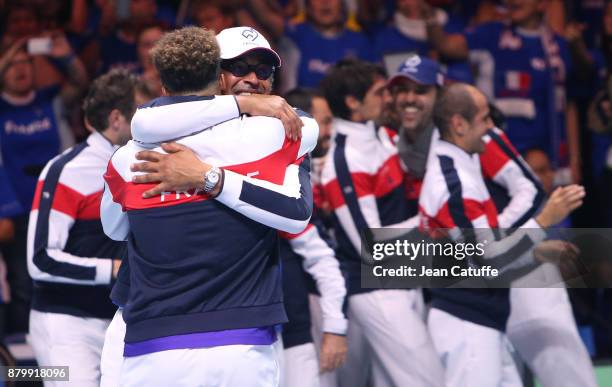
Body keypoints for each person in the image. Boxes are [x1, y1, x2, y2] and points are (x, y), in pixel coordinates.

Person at [123, 27, 348, 387]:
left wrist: (206, 176)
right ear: (214, 76)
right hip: (157, 322)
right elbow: (143, 121)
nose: (253, 79)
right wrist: (240, 105)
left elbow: (297, 220)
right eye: (239, 67)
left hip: (244, 326)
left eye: (263, 70)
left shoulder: (281, 132)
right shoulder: (157, 134)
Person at [385, 54, 596, 387]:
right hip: (481, 276)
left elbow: (528, 189)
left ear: (441, 96)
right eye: (401, 90)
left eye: (420, 90)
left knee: (563, 368)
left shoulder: (479, 135)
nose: (409, 98)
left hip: (516, 264)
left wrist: (508, 236)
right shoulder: (398, 145)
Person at [318, 58, 443, 387]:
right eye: (379, 92)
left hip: (407, 274)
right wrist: (432, 223)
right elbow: (372, 245)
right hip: (376, 289)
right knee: (427, 379)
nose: (388, 98)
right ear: (352, 103)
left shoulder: (383, 135)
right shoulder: (343, 163)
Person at [25, 69, 145, 387]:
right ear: (118, 118)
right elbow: (39, 261)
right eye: (143, 114)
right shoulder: (67, 171)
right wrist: (113, 269)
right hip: (65, 326)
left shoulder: (147, 166)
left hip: (122, 321)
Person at [425, 0, 580, 183]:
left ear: (542, 4)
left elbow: (569, 105)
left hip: (550, 162)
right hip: (501, 154)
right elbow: (446, 45)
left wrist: (574, 161)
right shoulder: (491, 34)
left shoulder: (558, 46)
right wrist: (430, 17)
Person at [0, 32, 87, 336]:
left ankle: (63, 341)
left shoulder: (50, 101)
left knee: (62, 275)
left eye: (26, 62)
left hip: (59, 204)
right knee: (23, 283)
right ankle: (25, 367)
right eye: (13, 64)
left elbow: (79, 82)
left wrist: (64, 55)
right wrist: (5, 57)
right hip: (17, 211)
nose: (21, 69)